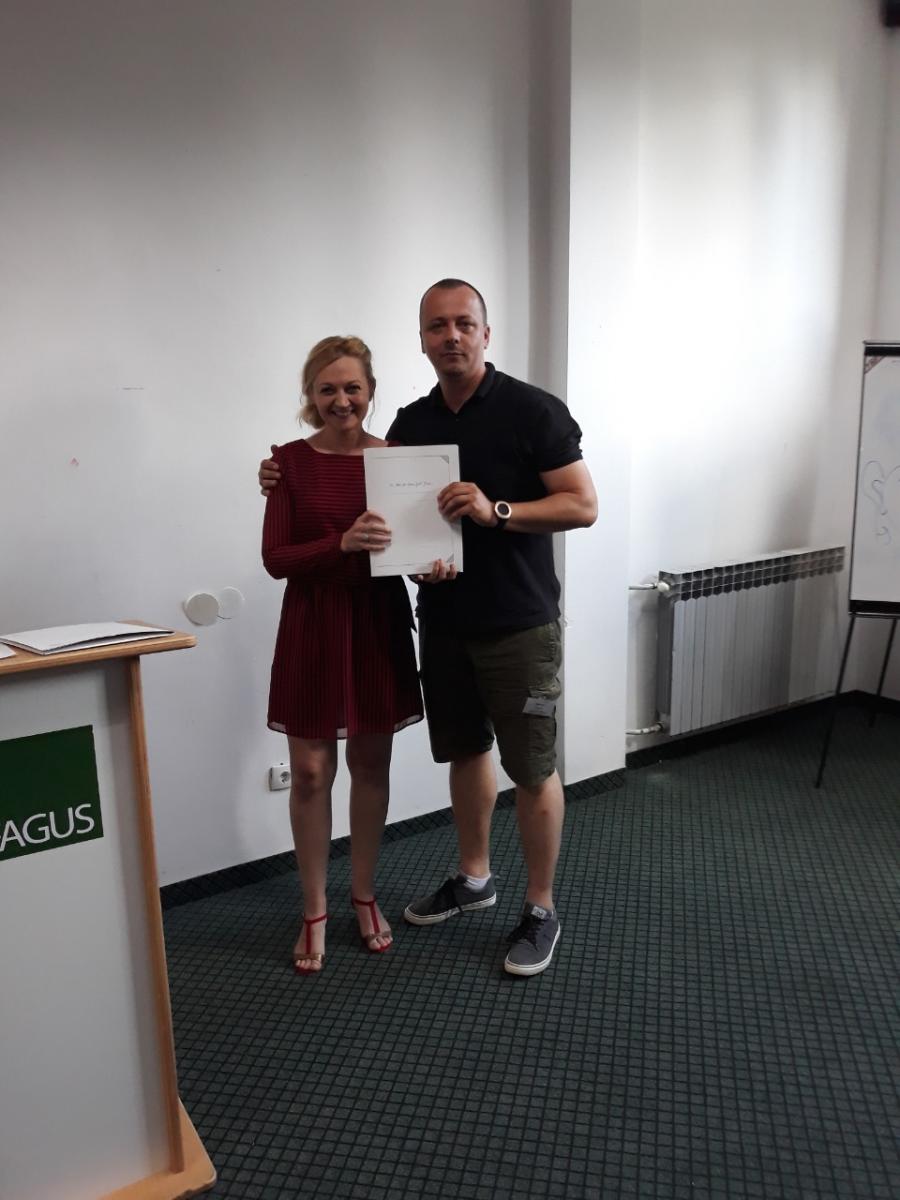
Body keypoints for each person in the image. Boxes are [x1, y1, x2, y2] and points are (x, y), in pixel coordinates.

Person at [260, 283, 597, 977]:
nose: (451, 336)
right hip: (440, 622)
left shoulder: (533, 409)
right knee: (466, 754)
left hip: (519, 622)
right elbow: (402, 533)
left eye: (463, 323)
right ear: (421, 340)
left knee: (532, 768)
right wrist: (419, 568)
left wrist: (497, 510)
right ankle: (475, 877)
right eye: (437, 326)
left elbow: (583, 505)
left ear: (485, 332)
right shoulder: (410, 429)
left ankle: (540, 907)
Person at [262, 335, 423, 974]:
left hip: (376, 622)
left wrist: (433, 564)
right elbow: (276, 559)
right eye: (327, 388)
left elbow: (417, 547)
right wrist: (342, 543)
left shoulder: (399, 461)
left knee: (371, 765)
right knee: (309, 773)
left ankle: (362, 893)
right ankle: (314, 908)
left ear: (370, 391)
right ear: (311, 395)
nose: (341, 399)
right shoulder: (287, 463)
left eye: (352, 387)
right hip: (311, 624)